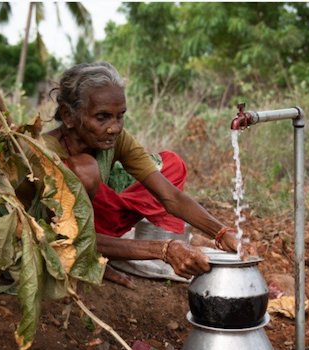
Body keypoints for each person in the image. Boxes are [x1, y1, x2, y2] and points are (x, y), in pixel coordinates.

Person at [30, 62, 239, 287]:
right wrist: (164, 250)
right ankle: (97, 253)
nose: (114, 127)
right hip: (55, 236)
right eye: (102, 117)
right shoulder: (45, 153)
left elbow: (171, 196)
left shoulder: (115, 139)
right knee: (85, 171)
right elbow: (69, 237)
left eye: (119, 116)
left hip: (100, 222)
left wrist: (222, 232)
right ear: (68, 116)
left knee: (171, 164)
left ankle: (107, 247)